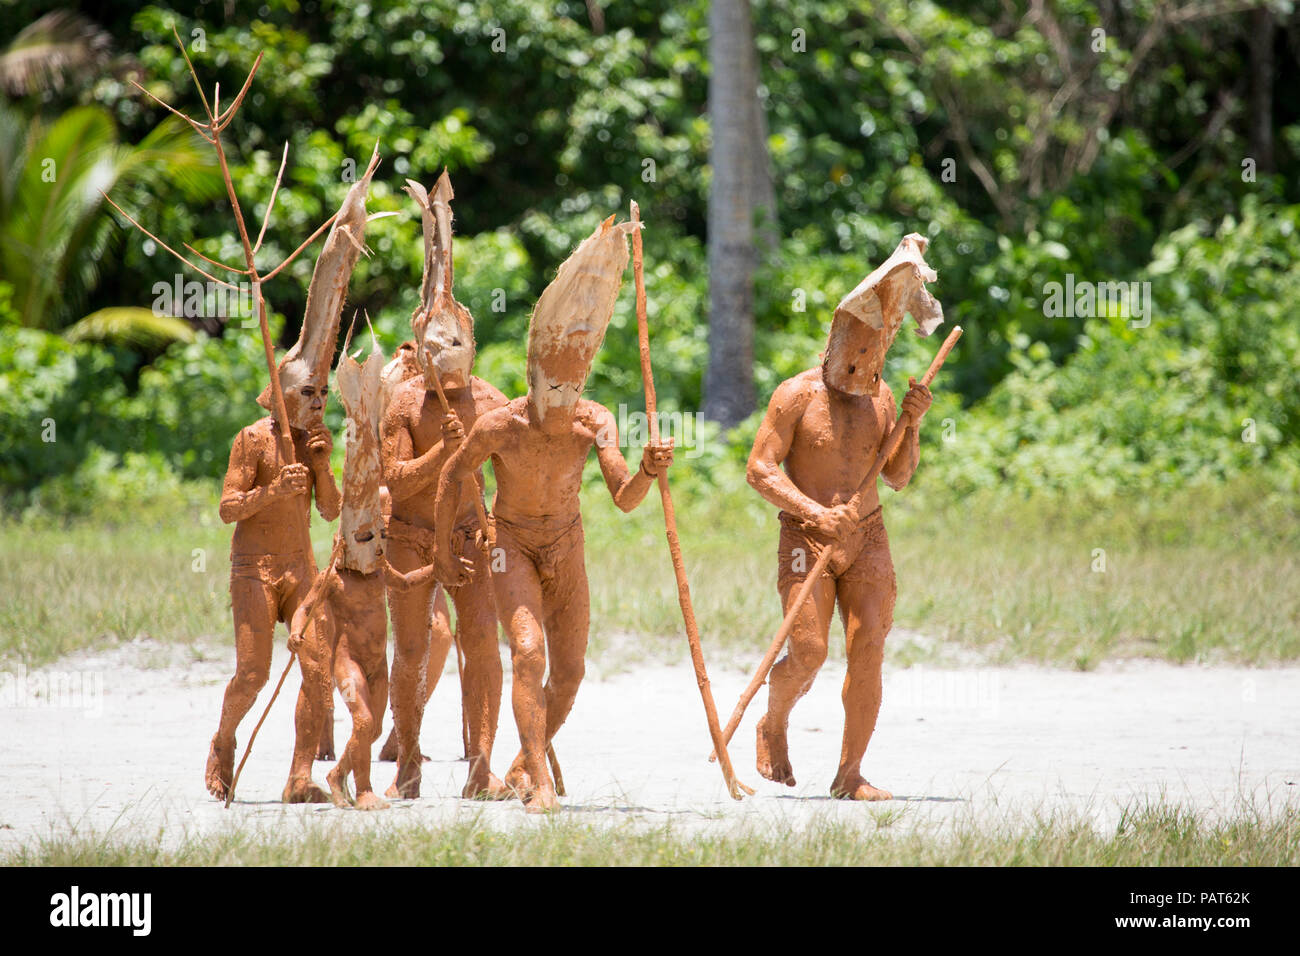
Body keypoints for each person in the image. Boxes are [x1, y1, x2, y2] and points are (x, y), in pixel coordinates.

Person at [433, 215, 673, 813]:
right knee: (529, 653)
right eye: (553, 391)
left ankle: (523, 761)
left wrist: (647, 469)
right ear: (535, 383)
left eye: (574, 389)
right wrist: (450, 541)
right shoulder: (500, 426)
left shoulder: (594, 424)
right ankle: (539, 782)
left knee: (569, 674)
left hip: (567, 546)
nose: (563, 403)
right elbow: (452, 474)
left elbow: (623, 498)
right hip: (510, 543)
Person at [745, 233, 942, 801]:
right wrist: (813, 512)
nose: (861, 367)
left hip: (868, 537)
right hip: (806, 538)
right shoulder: (796, 395)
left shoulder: (882, 400)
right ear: (833, 341)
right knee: (808, 651)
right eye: (852, 355)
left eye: (872, 357)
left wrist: (913, 423)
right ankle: (773, 721)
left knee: (869, 646)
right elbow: (760, 470)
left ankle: (850, 773)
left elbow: (898, 477)